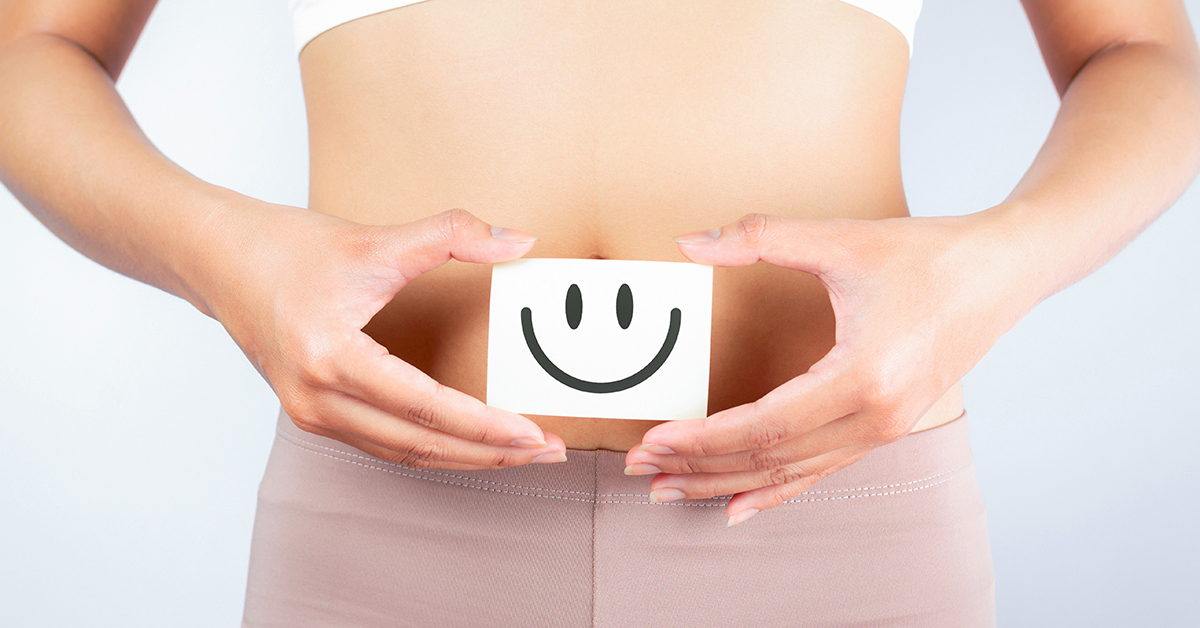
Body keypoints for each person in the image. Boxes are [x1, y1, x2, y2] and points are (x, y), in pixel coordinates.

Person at [1, 0, 1197, 625]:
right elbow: (31, 46)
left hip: (832, 537)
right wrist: (229, 258)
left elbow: (1143, 49)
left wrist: (989, 272)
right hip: (386, 546)